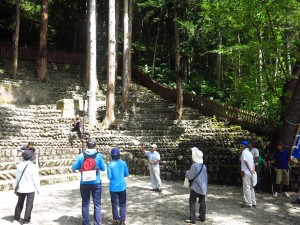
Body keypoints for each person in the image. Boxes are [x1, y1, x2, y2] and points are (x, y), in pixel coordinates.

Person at [72, 137, 106, 225]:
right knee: (97, 203)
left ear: (87, 145)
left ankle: (86, 222)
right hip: (96, 182)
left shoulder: (81, 155)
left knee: (85, 203)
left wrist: (81, 168)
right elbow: (103, 168)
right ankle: (97, 223)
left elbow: (74, 167)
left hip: (84, 183)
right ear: (95, 145)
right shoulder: (98, 156)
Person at [13, 150, 40, 225]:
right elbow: (36, 179)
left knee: (19, 203)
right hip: (30, 188)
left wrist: (16, 187)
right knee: (29, 204)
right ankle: (26, 220)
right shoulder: (33, 166)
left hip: (21, 188)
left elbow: (17, 178)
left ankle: (16, 218)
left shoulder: (19, 165)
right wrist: (38, 189)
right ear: (31, 158)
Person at [184, 147, 208, 225]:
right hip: (203, 187)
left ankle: (193, 219)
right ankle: (202, 217)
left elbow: (190, 176)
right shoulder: (204, 166)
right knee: (202, 202)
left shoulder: (194, 166)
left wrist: (186, 173)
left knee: (192, 201)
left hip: (195, 187)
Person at [107, 148, 129, 225]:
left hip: (113, 188)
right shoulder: (123, 163)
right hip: (122, 187)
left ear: (111, 155)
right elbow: (126, 174)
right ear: (119, 155)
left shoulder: (110, 164)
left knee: (114, 204)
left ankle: (116, 220)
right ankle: (122, 220)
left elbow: (109, 177)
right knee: (122, 204)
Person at [240, 140, 256, 207]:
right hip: (250, 172)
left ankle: (248, 203)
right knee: (251, 187)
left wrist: (249, 169)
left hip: (246, 172)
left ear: (243, 146)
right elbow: (253, 162)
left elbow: (245, 161)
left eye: (240, 145)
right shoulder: (249, 152)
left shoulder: (244, 152)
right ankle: (253, 201)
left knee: (246, 187)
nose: (240, 146)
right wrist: (253, 170)